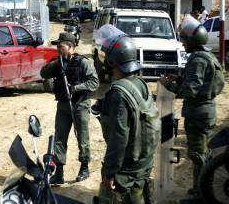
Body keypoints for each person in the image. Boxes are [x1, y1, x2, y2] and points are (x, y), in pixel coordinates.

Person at [159, 15, 224, 203]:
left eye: (185, 40)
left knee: (197, 155)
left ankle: (200, 195)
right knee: (203, 153)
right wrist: (178, 78)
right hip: (205, 111)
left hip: (198, 114)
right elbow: (199, 81)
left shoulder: (198, 59)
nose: (183, 43)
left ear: (192, 41)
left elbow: (190, 90)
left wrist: (168, 85)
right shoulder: (206, 55)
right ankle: (201, 189)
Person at [94, 25, 160, 204]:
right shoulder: (140, 82)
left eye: (106, 57)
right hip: (143, 161)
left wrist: (109, 172)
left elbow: (119, 137)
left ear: (112, 61)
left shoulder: (118, 93)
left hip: (126, 167)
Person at [40, 32, 99, 184]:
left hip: (80, 104)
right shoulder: (58, 62)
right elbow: (43, 73)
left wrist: (76, 87)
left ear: (70, 46)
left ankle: (84, 167)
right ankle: (59, 173)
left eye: (61, 46)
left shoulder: (82, 62)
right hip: (64, 106)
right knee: (60, 138)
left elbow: (94, 82)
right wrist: (57, 63)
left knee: (82, 138)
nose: (58, 49)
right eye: (57, 46)